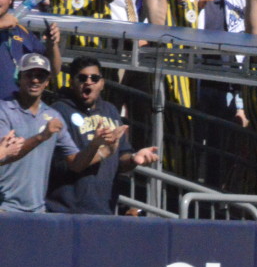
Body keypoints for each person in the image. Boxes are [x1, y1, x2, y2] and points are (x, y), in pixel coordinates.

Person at [46, 57, 160, 214]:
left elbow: (121, 157)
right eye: (82, 78)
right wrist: (98, 148)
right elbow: (67, 164)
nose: (88, 82)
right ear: (72, 82)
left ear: (102, 83)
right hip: (66, 210)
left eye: (94, 78)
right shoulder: (58, 111)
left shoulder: (110, 111)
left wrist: (134, 158)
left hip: (103, 209)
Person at [0, 53, 106, 213]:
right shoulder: (3, 110)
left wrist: (96, 145)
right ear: (19, 77)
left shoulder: (53, 116)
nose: (35, 80)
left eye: (41, 76)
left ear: (47, 82)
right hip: (4, 207)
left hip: (37, 211)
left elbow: (76, 164)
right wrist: (41, 137)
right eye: (29, 75)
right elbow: (5, 155)